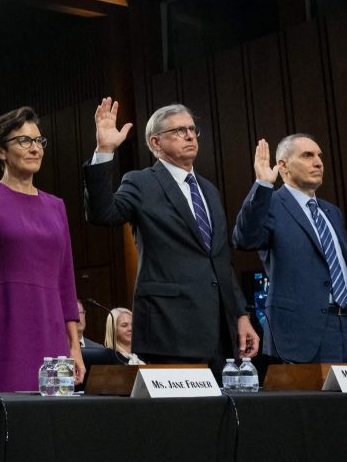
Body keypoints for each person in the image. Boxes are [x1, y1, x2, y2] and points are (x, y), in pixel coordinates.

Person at [83, 99, 259, 367]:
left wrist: (240, 315)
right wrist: (105, 151)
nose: (189, 135)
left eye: (191, 129)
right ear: (155, 143)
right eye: (178, 131)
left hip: (218, 332)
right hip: (169, 327)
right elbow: (102, 214)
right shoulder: (141, 182)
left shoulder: (209, 190)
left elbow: (220, 260)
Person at [0, 107, 83, 390]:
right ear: (0, 151)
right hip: (7, 317)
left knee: (55, 407)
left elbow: (66, 279)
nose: (35, 148)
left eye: (38, 141)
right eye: (24, 141)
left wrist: (75, 347)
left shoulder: (56, 205)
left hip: (52, 323)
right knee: (10, 407)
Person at [232, 135, 347, 363]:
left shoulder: (332, 212)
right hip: (299, 335)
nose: (318, 162)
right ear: (283, 165)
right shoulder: (270, 205)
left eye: (319, 156)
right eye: (307, 156)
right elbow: (244, 239)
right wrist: (263, 186)